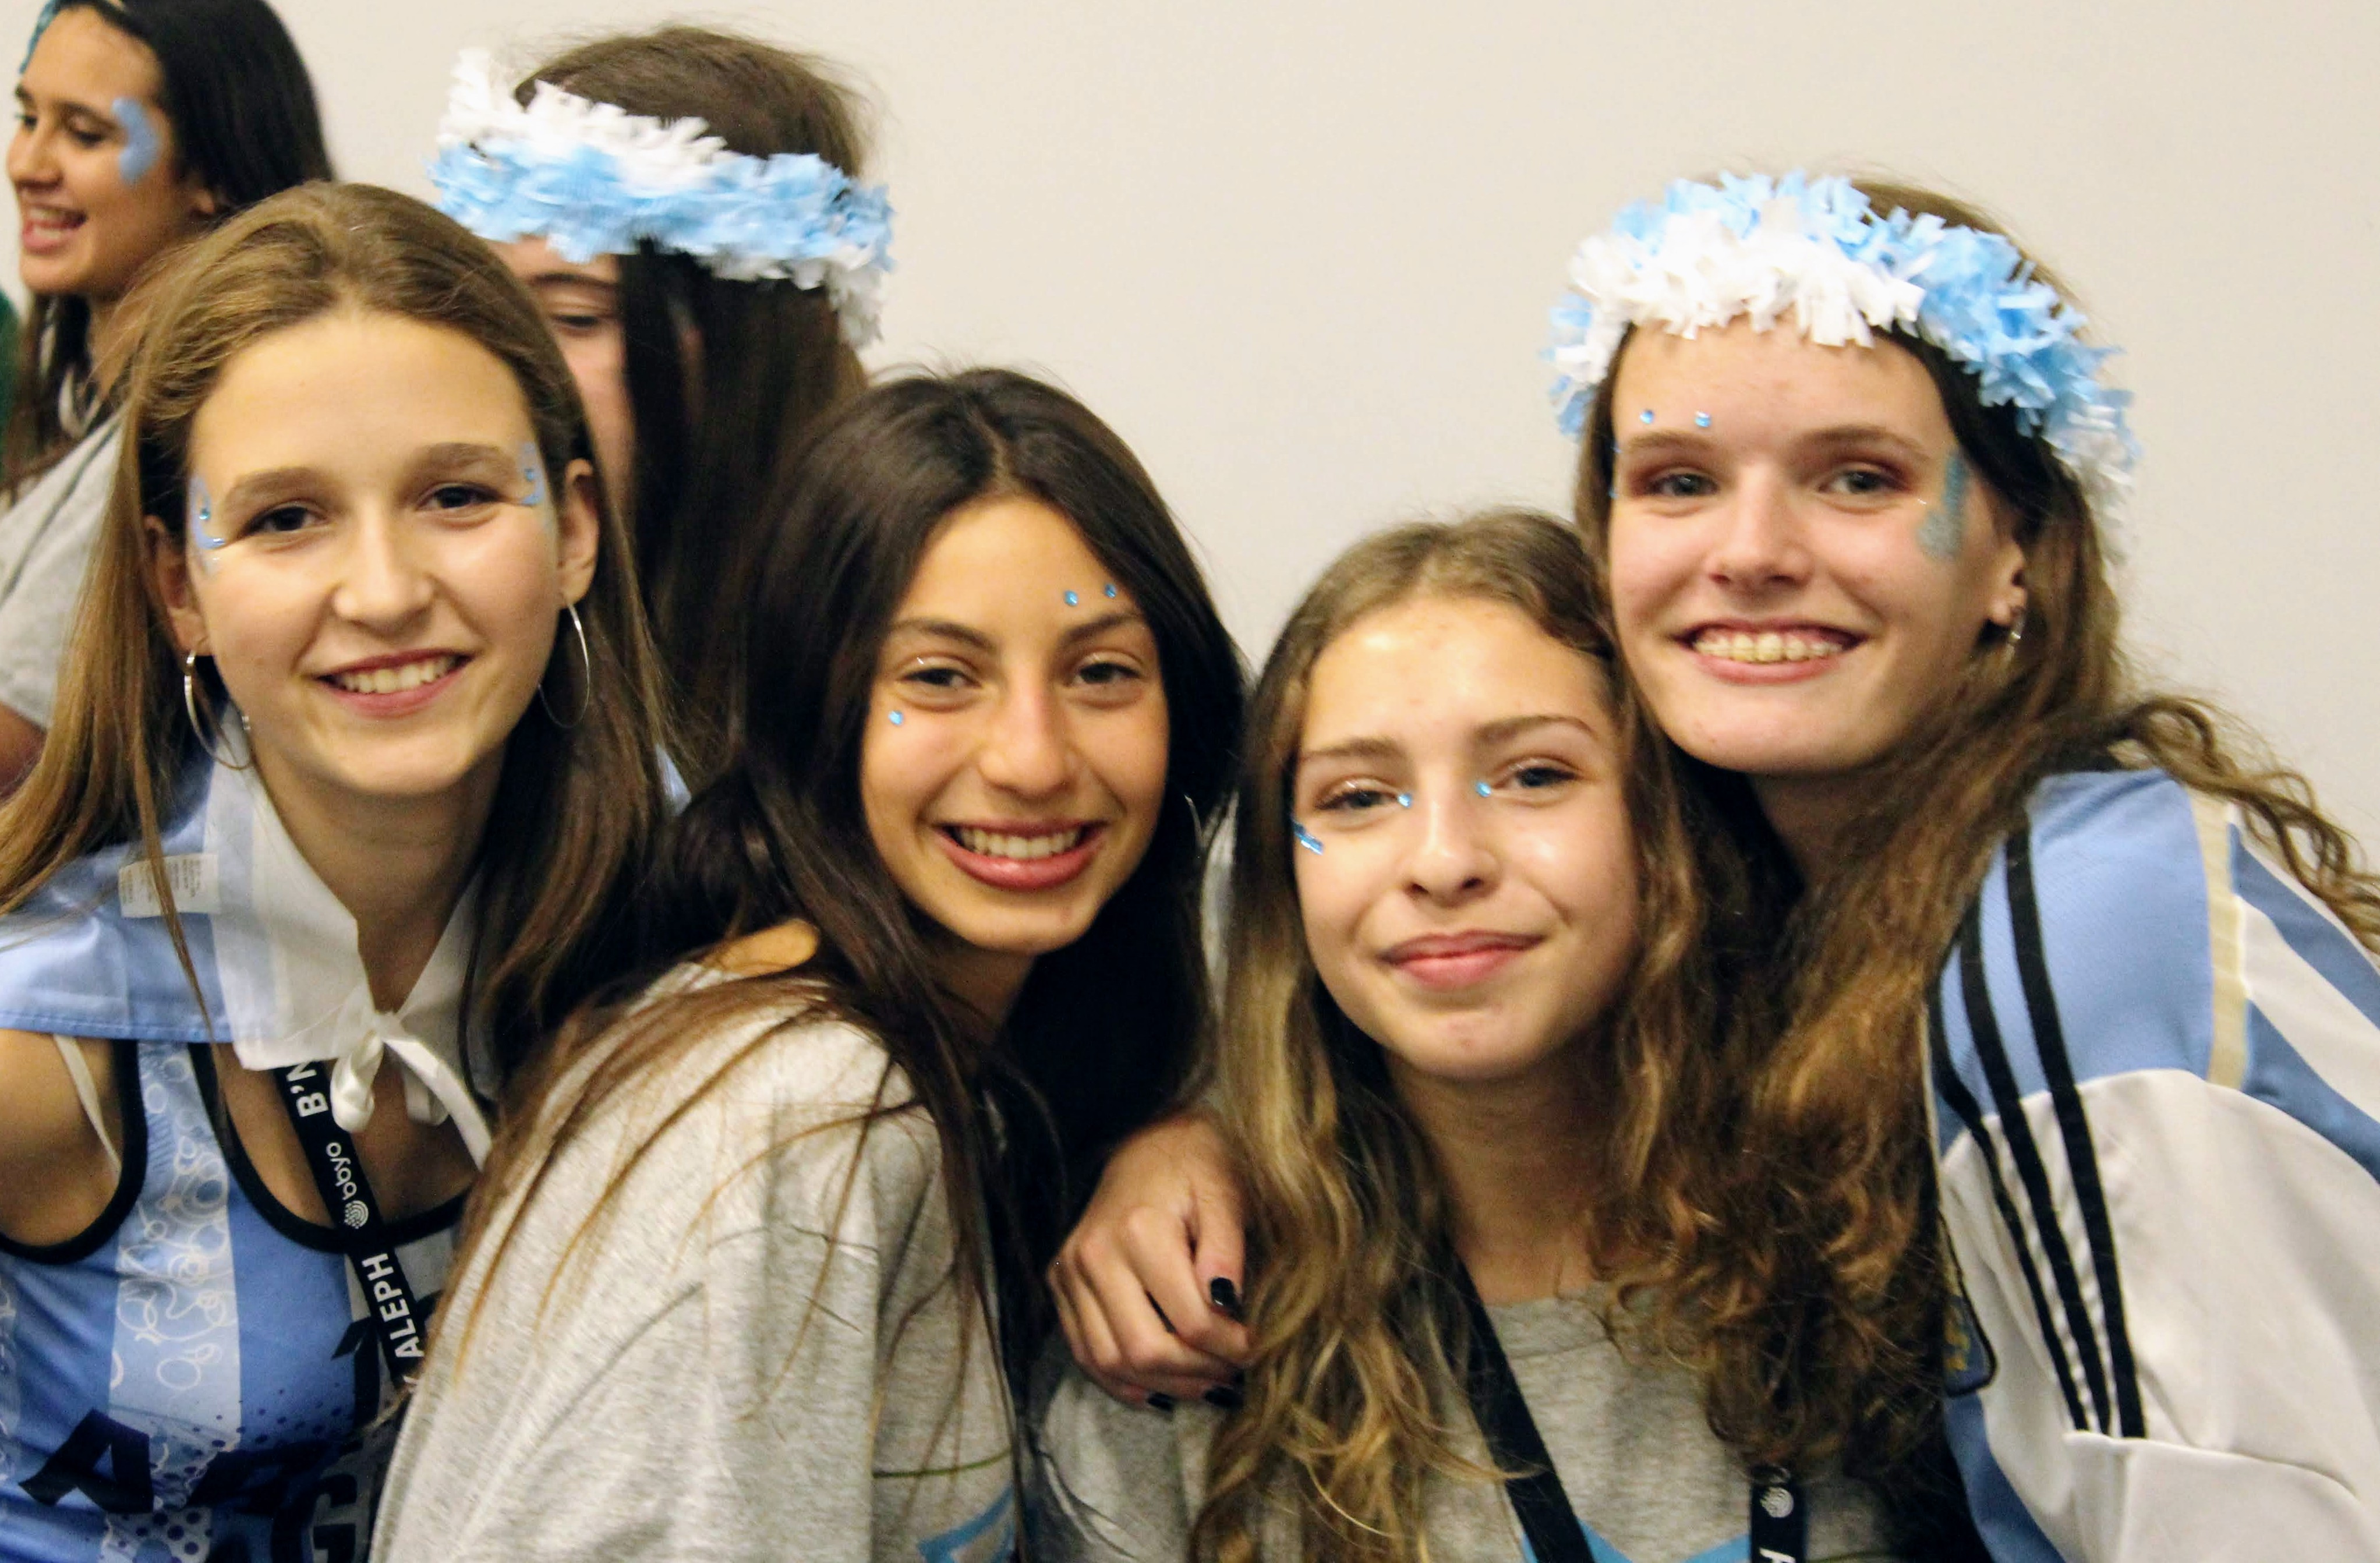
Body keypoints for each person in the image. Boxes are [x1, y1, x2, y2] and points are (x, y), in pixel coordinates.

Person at [1058, 172, 2380, 1558]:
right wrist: (1198, 1133)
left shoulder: (2084, 931)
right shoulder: (1850, 1026)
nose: (1750, 553)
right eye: (1680, 482)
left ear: (2021, 550)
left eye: (1857, 478)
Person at [373, 367, 1243, 1562]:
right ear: (813, 709)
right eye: (939, 677)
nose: (1033, 759)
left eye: (1100, 673)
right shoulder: (805, 1110)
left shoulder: (953, 1057)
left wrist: (1187, 1132)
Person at [0, 180, 666, 1561]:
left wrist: (1143, 1147)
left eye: (456, 496)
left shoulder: (677, 913)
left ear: (574, 531)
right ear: (178, 585)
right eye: (286, 518)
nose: (383, 590)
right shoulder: (41, 1035)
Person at [1035, 510, 1893, 1562]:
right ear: (1285, 883)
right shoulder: (1180, 1349)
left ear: (1668, 823)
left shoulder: (1872, 1252)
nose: (1443, 862)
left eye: (1534, 776)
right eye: (1359, 797)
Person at [428, 26, 890, 783]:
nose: (505, 362)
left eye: (575, 317)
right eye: (484, 312)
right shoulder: (448, 612)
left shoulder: (898, 635)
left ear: (752, 351)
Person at [0, 0, 330, 790]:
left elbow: (17, 753)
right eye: (28, 118)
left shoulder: (192, 432)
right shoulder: (99, 420)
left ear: (213, 173)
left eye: (86, 134)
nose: (28, 164)